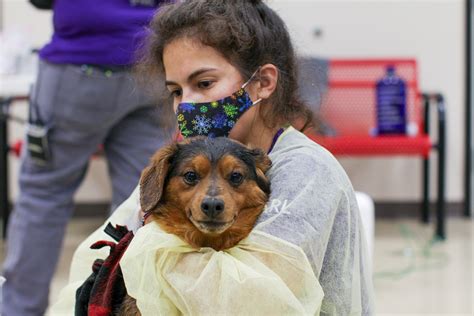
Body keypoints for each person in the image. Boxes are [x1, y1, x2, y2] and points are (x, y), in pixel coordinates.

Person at [52, 0, 375, 315]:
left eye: (204, 83)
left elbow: (250, 301)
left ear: (262, 82)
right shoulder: (184, 162)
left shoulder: (307, 172)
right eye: (176, 91)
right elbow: (96, 264)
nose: (185, 105)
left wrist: (149, 255)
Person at [1, 1, 173, 315]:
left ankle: (19, 310)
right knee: (139, 204)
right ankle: (120, 307)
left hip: (80, 62)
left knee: (44, 195)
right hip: (154, 64)